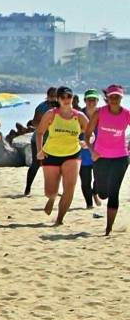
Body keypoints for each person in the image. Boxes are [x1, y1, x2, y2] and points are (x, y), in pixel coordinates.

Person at [36, 86, 89, 226]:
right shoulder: (51, 114)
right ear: (58, 99)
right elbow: (40, 132)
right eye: (63, 97)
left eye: (69, 97)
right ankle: (52, 199)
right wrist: (39, 151)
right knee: (50, 191)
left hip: (73, 154)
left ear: (72, 98)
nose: (66, 100)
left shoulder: (79, 116)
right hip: (51, 154)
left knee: (69, 188)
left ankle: (59, 219)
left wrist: (87, 142)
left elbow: (91, 133)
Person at [86, 85, 130, 235]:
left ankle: (108, 228)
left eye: (117, 97)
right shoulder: (100, 113)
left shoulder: (126, 114)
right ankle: (95, 190)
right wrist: (92, 151)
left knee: (114, 192)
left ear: (121, 98)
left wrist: (128, 148)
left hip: (120, 158)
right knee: (103, 192)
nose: (114, 100)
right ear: (107, 98)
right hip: (101, 157)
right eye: (111, 97)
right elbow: (87, 135)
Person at [24, 87, 59, 196]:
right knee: (36, 164)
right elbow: (35, 123)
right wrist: (46, 124)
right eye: (51, 96)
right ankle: (28, 188)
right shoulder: (42, 107)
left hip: (54, 141)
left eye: (55, 96)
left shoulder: (62, 107)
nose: (53, 98)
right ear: (47, 96)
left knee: (55, 165)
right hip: (39, 140)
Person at [79, 89, 101, 210]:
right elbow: (73, 132)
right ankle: (89, 204)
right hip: (82, 153)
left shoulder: (102, 114)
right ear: (85, 100)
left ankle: (95, 192)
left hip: (99, 152)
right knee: (85, 181)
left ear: (97, 100)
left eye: (94, 99)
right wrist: (79, 142)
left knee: (100, 179)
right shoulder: (79, 115)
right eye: (89, 99)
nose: (91, 102)